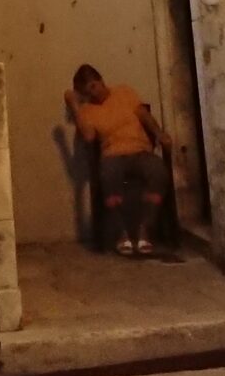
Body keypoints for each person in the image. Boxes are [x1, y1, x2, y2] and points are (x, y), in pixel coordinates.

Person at [65, 63, 170, 255]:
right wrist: (74, 105)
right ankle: (123, 233)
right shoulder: (88, 110)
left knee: (158, 172)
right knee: (108, 177)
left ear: (101, 81)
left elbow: (144, 116)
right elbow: (89, 137)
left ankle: (144, 229)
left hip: (140, 150)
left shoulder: (124, 92)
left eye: (94, 86)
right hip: (112, 154)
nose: (93, 93)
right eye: (88, 91)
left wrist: (159, 133)